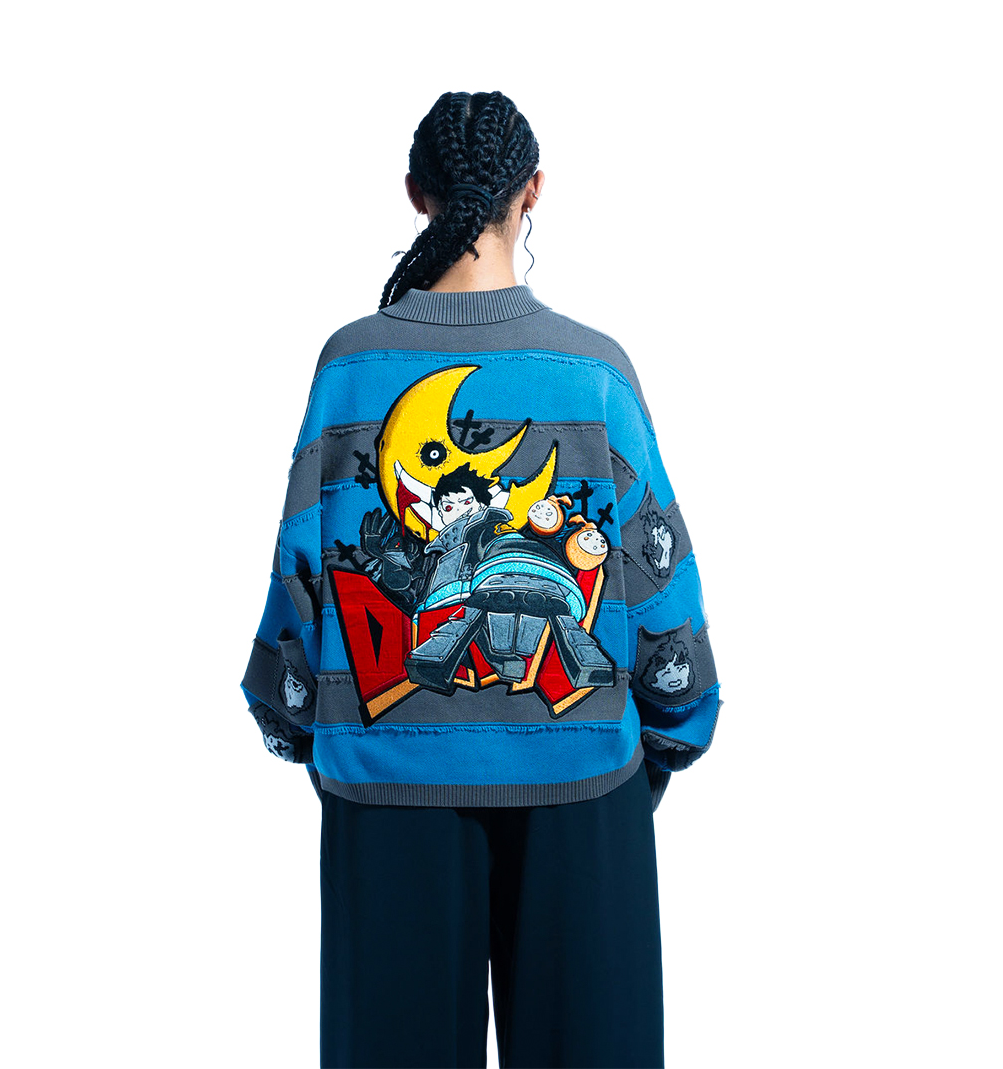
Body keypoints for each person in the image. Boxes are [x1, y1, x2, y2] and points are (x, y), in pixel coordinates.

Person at [240, 90, 722, 1069]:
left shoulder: (351, 366)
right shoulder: (592, 372)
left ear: (415, 193)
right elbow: (657, 569)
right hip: (582, 782)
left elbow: (303, 564)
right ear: (532, 191)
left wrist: (290, 715)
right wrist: (679, 722)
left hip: (389, 785)